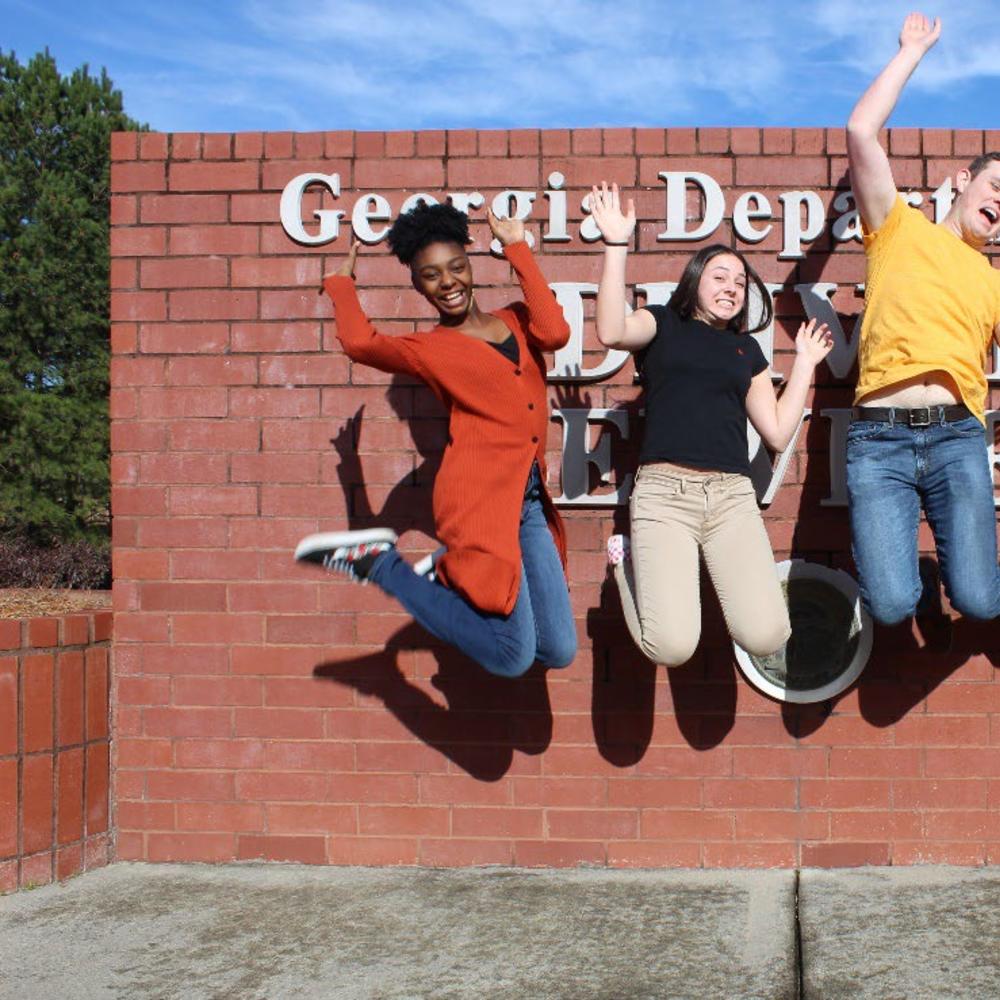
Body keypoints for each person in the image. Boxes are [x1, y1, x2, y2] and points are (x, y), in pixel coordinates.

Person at [294, 202, 577, 678]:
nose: (447, 283)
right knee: (512, 657)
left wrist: (516, 247)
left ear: (470, 267)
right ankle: (384, 567)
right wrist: (341, 285)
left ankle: (446, 568)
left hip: (527, 500)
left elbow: (556, 331)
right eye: (431, 275)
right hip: (479, 504)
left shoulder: (516, 319)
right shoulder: (431, 350)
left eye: (456, 268)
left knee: (559, 648)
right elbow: (361, 343)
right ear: (417, 285)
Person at [590, 182, 833, 667]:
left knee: (767, 637)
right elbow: (612, 331)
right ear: (695, 281)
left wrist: (805, 362)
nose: (731, 288)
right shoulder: (662, 324)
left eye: (740, 283)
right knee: (673, 649)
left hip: (730, 500)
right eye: (720, 276)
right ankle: (626, 563)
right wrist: (616, 244)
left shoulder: (746, 351)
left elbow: (779, 433)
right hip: (664, 496)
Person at [845, 12, 1000, 630]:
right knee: (890, 606)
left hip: (959, 440)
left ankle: (966, 566)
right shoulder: (896, 228)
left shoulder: (993, 281)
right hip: (878, 441)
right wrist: (912, 51)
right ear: (964, 181)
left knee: (983, 603)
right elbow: (861, 131)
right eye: (997, 187)